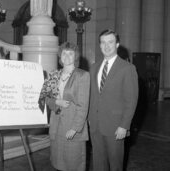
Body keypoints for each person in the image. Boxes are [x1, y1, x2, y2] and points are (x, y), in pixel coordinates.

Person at [88, 29, 139, 171]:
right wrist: (90, 118)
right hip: (96, 125)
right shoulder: (94, 68)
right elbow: (93, 96)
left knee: (116, 165)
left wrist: (124, 125)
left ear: (117, 44)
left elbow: (131, 100)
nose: (107, 45)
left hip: (116, 127)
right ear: (99, 45)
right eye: (103, 42)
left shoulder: (127, 68)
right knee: (98, 164)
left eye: (110, 42)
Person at [39, 42, 90, 171]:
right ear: (60, 56)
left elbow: (83, 106)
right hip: (56, 126)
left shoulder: (82, 75)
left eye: (70, 53)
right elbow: (45, 97)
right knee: (58, 162)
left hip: (72, 126)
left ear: (76, 56)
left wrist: (75, 128)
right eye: (64, 53)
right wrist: (56, 102)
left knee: (74, 163)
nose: (67, 56)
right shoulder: (54, 75)